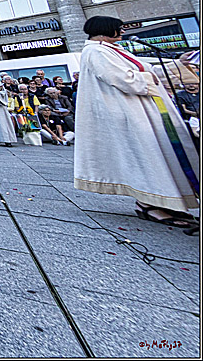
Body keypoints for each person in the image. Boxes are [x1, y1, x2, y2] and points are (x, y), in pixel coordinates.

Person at [75, 16, 200, 230]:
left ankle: (167, 199)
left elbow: (146, 71)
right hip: (128, 112)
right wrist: (149, 79)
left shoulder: (114, 49)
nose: (121, 31)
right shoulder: (95, 51)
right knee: (146, 154)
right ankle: (149, 203)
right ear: (106, 30)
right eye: (118, 28)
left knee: (159, 153)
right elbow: (121, 78)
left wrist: (179, 64)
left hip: (145, 108)